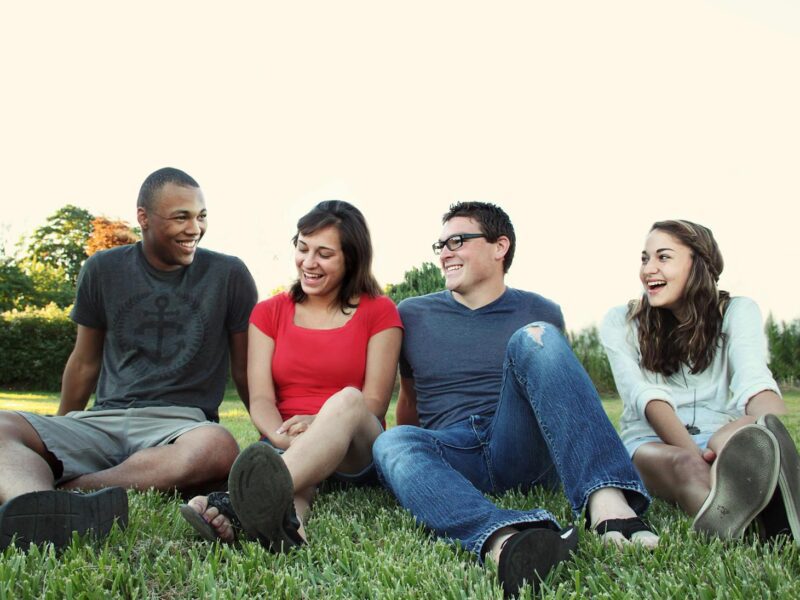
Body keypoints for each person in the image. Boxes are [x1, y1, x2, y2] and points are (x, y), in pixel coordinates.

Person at [372, 202, 658, 599]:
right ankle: (503, 539)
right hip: (455, 453)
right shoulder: (413, 313)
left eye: (457, 241)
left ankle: (608, 505)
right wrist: (412, 464)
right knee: (392, 441)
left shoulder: (542, 311)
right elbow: (410, 399)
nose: (445, 253)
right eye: (440, 245)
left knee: (535, 336)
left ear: (499, 246)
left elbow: (556, 392)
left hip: (519, 446)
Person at [0, 167, 258, 551]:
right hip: (104, 419)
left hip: (180, 425)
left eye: (201, 216)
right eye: (181, 217)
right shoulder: (102, 269)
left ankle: (67, 496)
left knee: (219, 446)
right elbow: (84, 362)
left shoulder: (228, 274)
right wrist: (56, 433)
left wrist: (270, 436)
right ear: (144, 217)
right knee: (3, 426)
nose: (195, 229)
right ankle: (32, 502)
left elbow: (245, 369)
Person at [181, 200, 402, 549]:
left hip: (355, 449)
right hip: (285, 442)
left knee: (348, 399)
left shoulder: (380, 310)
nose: (308, 262)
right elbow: (261, 398)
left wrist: (318, 424)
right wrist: (283, 438)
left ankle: (236, 501)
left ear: (351, 258)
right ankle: (286, 531)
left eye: (324, 254)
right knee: (294, 488)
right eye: (302, 248)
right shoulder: (268, 313)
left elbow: (374, 402)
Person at [600, 219, 798, 542]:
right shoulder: (620, 322)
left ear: (698, 264)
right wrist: (699, 457)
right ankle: (752, 528)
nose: (648, 269)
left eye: (663, 257)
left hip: (721, 434)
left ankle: (770, 500)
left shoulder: (738, 311)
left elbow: (754, 381)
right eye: (645, 258)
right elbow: (645, 398)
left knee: (741, 437)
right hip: (651, 441)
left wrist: (768, 425)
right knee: (686, 467)